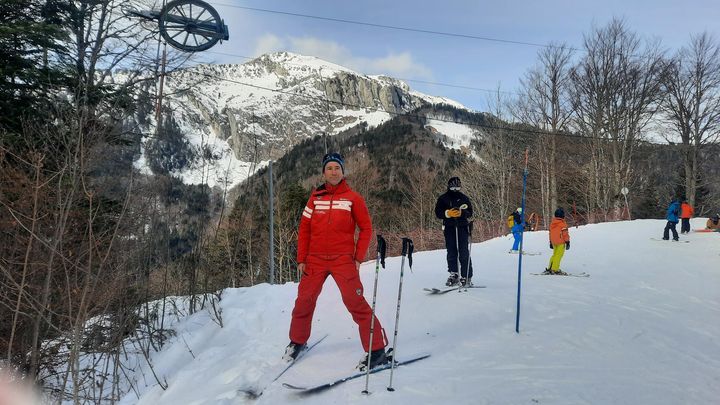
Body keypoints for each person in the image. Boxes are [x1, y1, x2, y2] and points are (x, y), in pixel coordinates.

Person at [284, 152, 388, 371]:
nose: (333, 172)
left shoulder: (353, 199)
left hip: (343, 260)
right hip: (315, 260)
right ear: (324, 172)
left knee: (355, 303)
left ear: (343, 172)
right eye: (329, 168)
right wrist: (301, 258)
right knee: (304, 301)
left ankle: (377, 349)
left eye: (337, 168)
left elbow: (366, 228)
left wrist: (358, 257)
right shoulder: (315, 198)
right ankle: (297, 342)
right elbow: (304, 229)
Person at [434, 177, 474, 287]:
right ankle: (454, 273)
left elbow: (470, 212)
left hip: (462, 227)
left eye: (457, 187)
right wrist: (448, 213)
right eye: (453, 187)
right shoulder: (443, 199)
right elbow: (438, 212)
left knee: (463, 252)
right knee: (451, 251)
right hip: (449, 228)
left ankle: (466, 275)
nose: (455, 189)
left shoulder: (464, 198)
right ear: (449, 186)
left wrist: (462, 213)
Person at [544, 207, 570, 275]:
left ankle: (550, 267)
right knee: (558, 255)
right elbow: (565, 234)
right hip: (561, 242)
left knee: (554, 255)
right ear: (562, 215)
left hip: (554, 242)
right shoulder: (562, 224)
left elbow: (550, 233)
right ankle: (555, 269)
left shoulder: (552, 223)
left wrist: (550, 242)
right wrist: (567, 242)